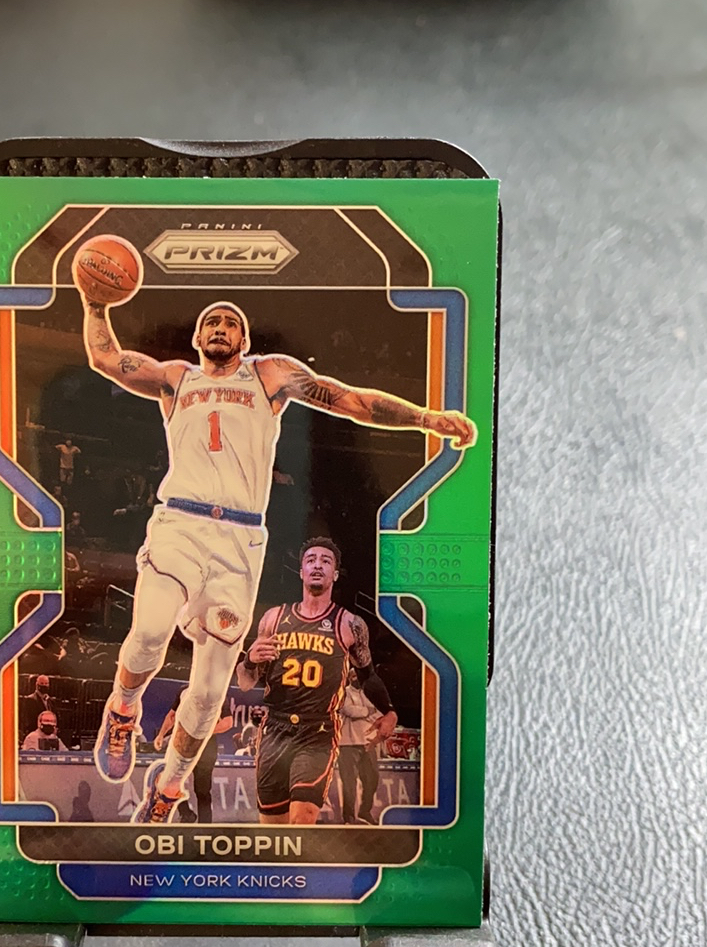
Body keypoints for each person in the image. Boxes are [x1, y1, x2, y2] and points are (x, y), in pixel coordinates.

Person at [77, 290, 474, 824]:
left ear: (244, 339)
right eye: (211, 321)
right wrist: (95, 304)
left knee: (209, 690)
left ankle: (168, 787)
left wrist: (426, 418)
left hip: (239, 542)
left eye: (230, 322)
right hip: (180, 522)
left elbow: (350, 399)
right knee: (149, 630)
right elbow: (107, 358)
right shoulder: (176, 378)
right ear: (197, 337)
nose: (220, 327)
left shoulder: (269, 376)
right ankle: (122, 712)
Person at [236, 538, 399, 825]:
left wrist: (389, 711)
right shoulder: (273, 618)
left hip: (318, 730)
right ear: (301, 572)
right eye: (311, 560)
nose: (317, 565)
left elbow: (368, 676)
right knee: (273, 828)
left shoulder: (350, 624)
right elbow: (246, 682)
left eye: (326, 561)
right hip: (275, 729)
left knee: (302, 819)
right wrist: (249, 659)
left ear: (334, 574)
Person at [153, 687, 234, 824]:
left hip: (205, 748)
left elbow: (228, 722)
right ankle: (186, 814)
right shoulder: (183, 691)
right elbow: (171, 716)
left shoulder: (216, 692)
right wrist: (161, 735)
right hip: (183, 745)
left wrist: (203, 732)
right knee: (169, 781)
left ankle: (205, 826)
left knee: (202, 790)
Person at [336, 670, 397, 825]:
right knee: (349, 782)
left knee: (372, 779)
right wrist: (368, 711)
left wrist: (368, 712)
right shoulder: (344, 692)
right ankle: (349, 818)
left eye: (358, 676)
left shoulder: (371, 693)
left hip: (368, 743)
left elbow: (380, 714)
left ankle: (365, 811)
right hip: (348, 743)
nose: (357, 678)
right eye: (354, 676)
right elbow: (349, 710)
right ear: (349, 678)